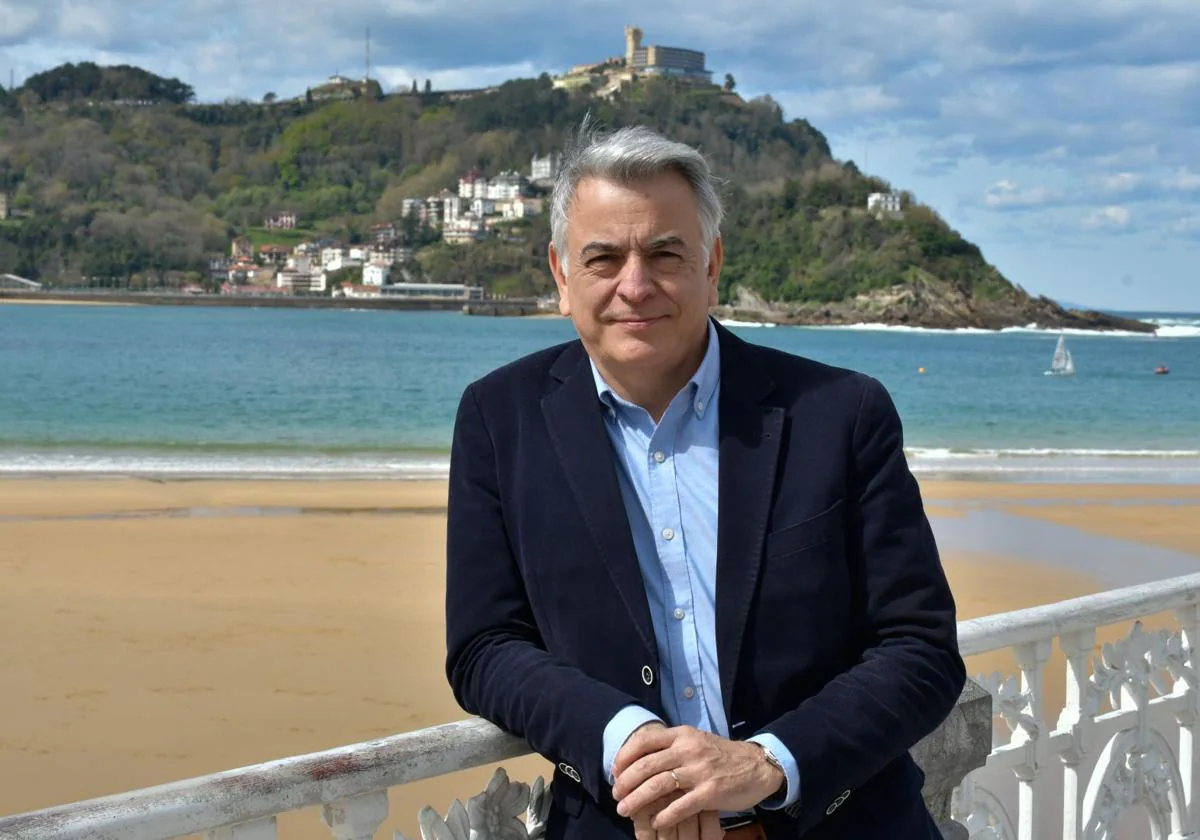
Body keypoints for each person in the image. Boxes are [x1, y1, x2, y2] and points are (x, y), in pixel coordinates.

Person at [444, 120, 966, 839]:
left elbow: (921, 650)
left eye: (665, 252)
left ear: (712, 264)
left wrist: (770, 761)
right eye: (603, 258)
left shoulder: (841, 414)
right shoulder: (498, 419)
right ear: (562, 275)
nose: (636, 284)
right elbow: (484, 648)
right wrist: (624, 739)